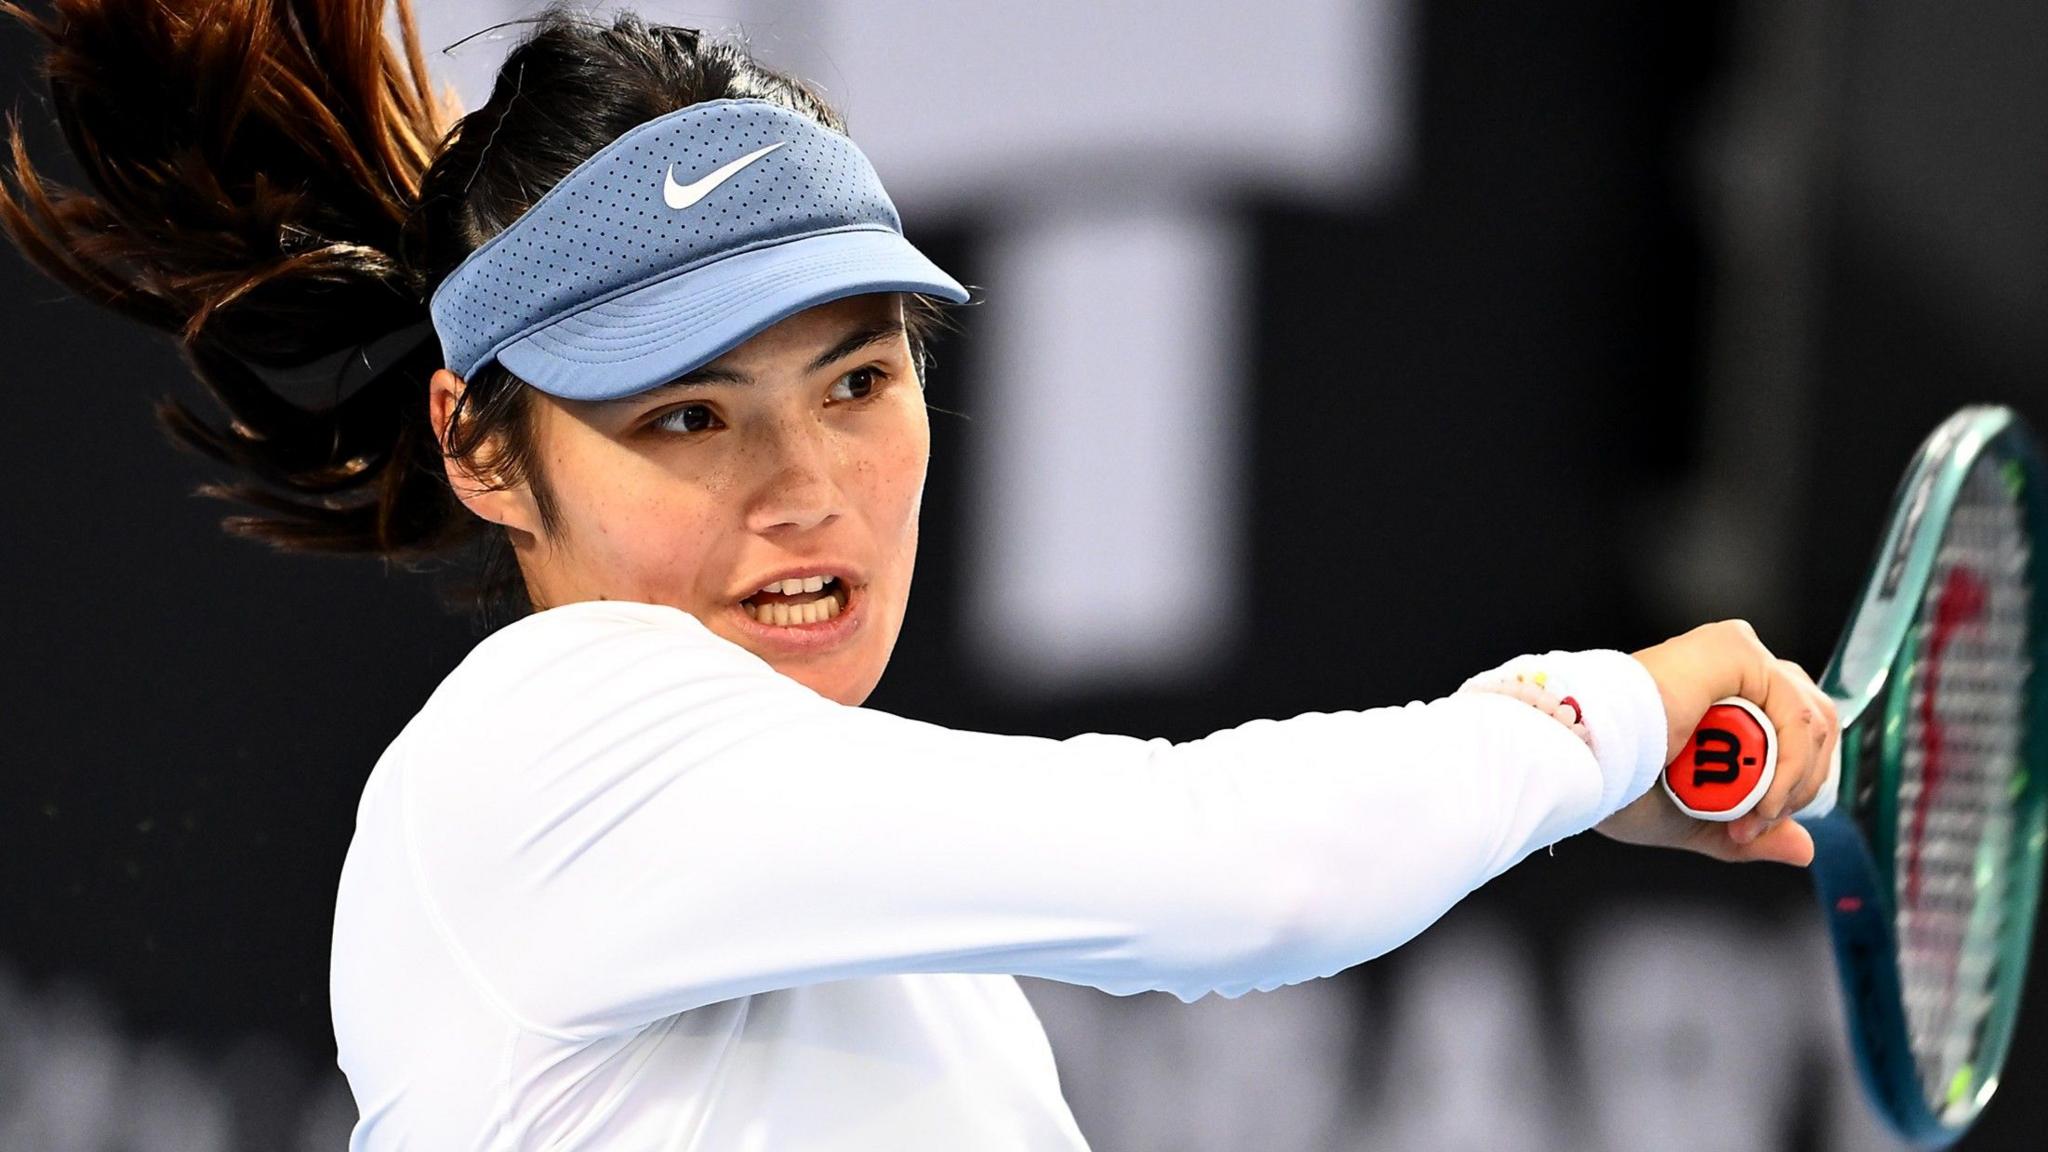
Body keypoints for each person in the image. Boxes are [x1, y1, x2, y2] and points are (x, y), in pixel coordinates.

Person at [0, 1, 1841, 1148]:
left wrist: (1551, 791)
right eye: (690, 419)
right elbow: (1244, 875)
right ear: (489, 450)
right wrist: (1607, 718)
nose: (808, 489)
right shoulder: (542, 741)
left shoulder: (904, 970)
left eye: (859, 383)